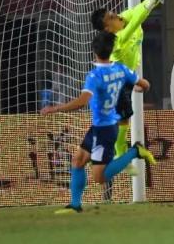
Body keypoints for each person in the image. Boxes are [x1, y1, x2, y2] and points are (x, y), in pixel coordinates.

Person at [41, 31, 157, 214]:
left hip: (105, 130)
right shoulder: (121, 69)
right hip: (100, 127)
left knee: (100, 177)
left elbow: (81, 102)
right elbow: (145, 85)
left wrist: (55, 108)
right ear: (111, 50)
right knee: (78, 160)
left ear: (94, 51)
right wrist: (132, 87)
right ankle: (75, 204)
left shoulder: (95, 76)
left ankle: (135, 151)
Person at [90, 0, 167, 172]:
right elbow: (136, 23)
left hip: (127, 76)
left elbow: (138, 11)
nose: (116, 15)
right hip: (117, 80)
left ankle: (117, 152)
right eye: (111, 18)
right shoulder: (117, 40)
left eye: (112, 13)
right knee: (122, 119)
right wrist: (151, 2)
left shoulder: (124, 16)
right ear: (107, 29)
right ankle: (119, 154)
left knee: (124, 118)